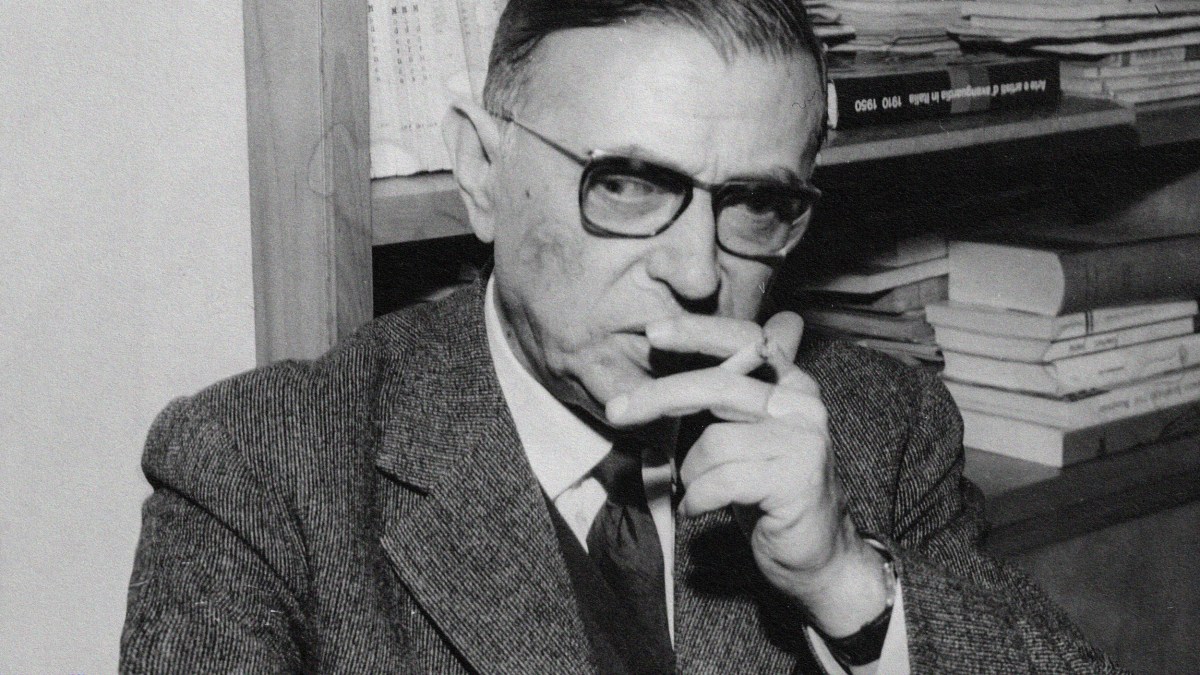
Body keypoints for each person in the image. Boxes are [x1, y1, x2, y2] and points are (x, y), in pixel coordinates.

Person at [121, 0, 1122, 672]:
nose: (696, 272)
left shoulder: (879, 428)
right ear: (479, 167)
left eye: (756, 203)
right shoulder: (256, 473)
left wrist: (846, 586)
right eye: (630, 185)